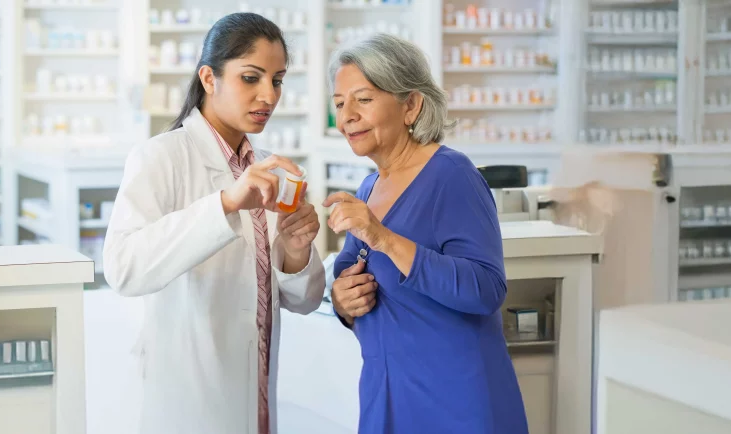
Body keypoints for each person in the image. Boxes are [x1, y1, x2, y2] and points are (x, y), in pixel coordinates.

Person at [103, 12, 326, 434]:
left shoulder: (265, 169)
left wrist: (296, 254)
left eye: (277, 80)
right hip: (190, 401)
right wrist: (224, 205)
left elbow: (303, 301)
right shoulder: (161, 157)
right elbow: (123, 268)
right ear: (209, 78)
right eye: (250, 78)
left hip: (255, 397)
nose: (268, 96)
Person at [323, 34, 529, 434]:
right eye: (339, 104)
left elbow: (486, 289)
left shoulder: (452, 176)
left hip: (453, 401)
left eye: (363, 100)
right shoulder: (369, 188)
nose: (346, 115)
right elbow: (351, 285)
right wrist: (343, 301)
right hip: (388, 396)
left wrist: (384, 238)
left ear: (411, 105)